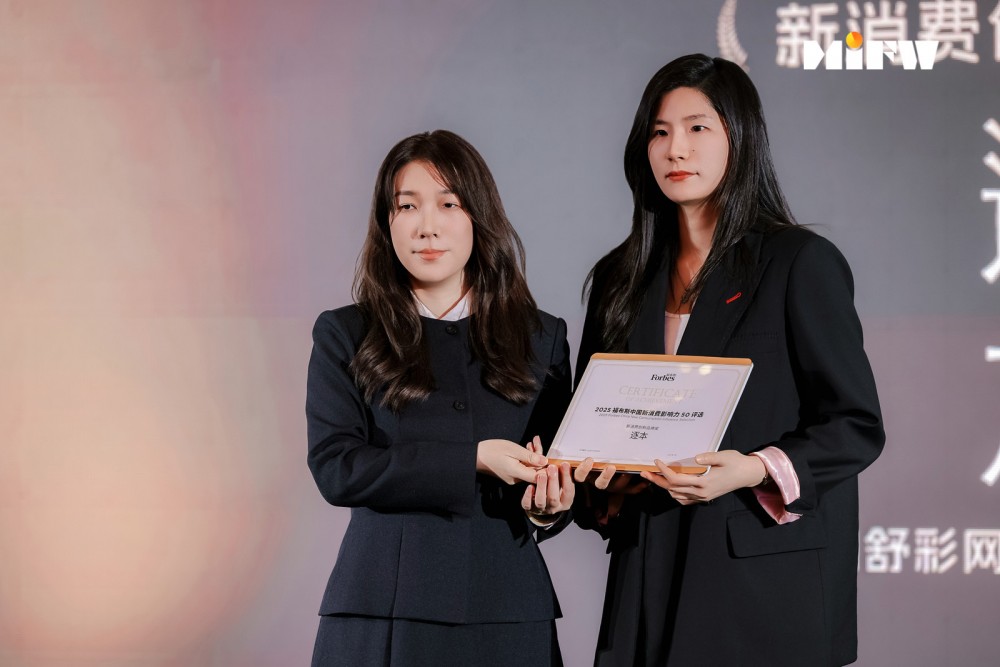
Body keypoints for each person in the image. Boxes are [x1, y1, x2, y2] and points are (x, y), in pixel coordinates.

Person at [572, 54, 885, 666]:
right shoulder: (620, 278)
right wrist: (608, 487)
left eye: (698, 128)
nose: (676, 149)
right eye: (659, 132)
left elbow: (855, 425)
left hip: (758, 588)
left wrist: (750, 469)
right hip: (648, 579)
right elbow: (595, 426)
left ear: (739, 139)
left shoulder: (798, 262)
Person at [306, 130, 574, 666]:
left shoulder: (541, 337)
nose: (427, 226)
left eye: (449, 204)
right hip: (383, 611)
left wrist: (551, 509)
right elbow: (338, 469)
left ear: (479, 216)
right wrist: (472, 459)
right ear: (386, 222)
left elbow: (559, 467)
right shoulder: (346, 333)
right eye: (407, 206)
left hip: (507, 612)